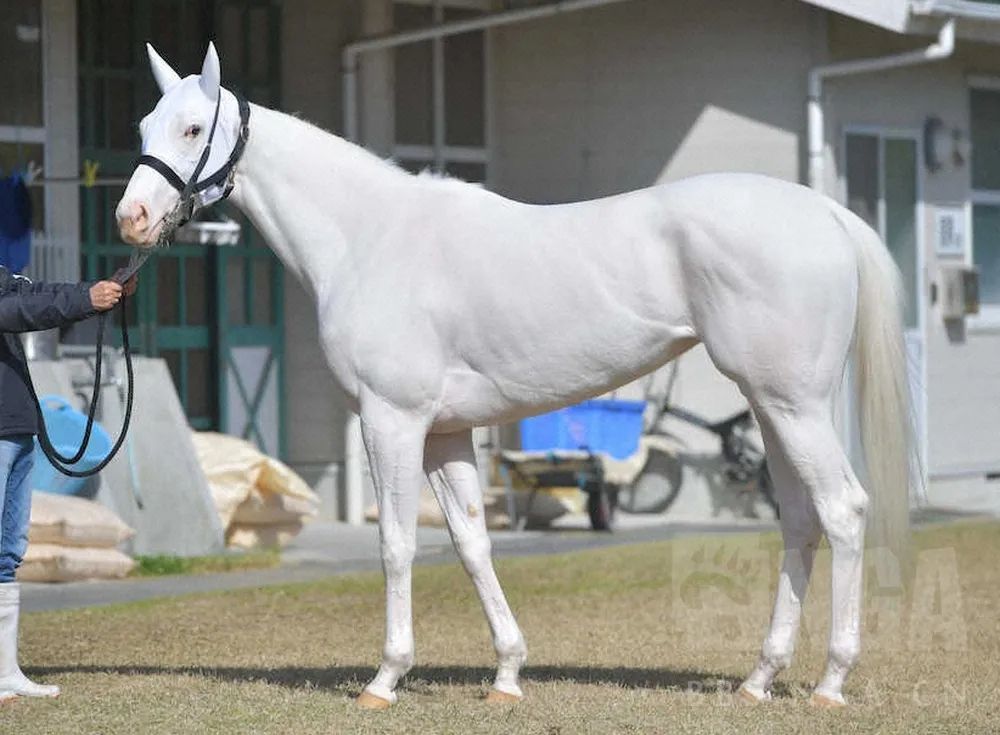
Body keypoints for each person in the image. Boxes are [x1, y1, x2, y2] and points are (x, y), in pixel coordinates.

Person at [0, 265, 137, 702]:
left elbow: (34, 290)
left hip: (15, 424)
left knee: (6, 554)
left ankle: (5, 673)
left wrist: (101, 289)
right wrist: (85, 301)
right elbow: (13, 311)